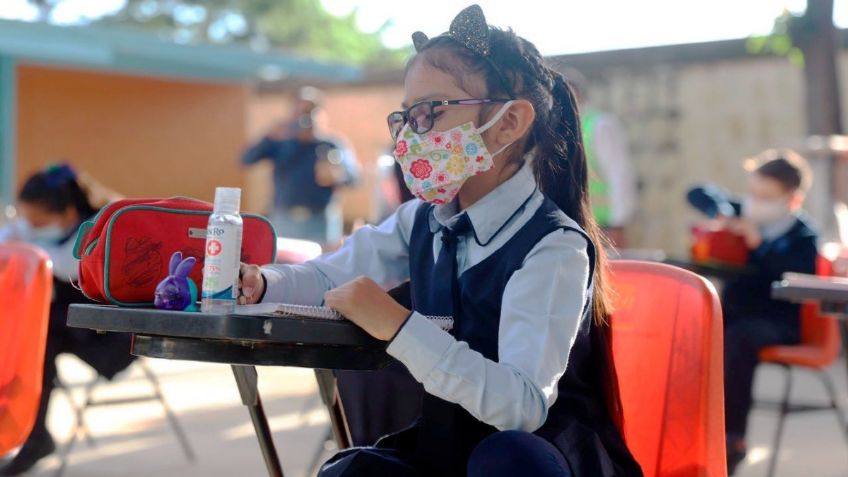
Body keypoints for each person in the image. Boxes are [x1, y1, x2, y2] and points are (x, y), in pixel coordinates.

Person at [239, 5, 642, 476]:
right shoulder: (421, 221)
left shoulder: (553, 248)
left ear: (509, 124)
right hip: (449, 448)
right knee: (350, 472)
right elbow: (336, 272)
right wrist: (261, 283)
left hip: (539, 458)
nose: (412, 134)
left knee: (506, 460)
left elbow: (522, 407)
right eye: (407, 115)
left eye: (432, 111)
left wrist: (398, 325)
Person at [0, 164, 135, 476]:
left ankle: (32, 436)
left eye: (38, 219)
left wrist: (23, 243)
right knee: (32, 337)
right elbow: (10, 236)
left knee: (36, 339)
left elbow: (62, 267)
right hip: (74, 324)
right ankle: (32, 434)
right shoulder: (52, 229)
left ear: (68, 211)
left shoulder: (99, 230)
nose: (31, 225)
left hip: (112, 334)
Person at [687, 150, 817, 475]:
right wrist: (723, 214)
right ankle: (686, 424)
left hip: (778, 322)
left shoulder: (803, 237)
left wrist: (758, 245)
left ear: (792, 198)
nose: (757, 202)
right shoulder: (741, 214)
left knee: (736, 341)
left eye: (767, 197)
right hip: (734, 313)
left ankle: (732, 438)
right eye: (754, 193)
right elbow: (697, 192)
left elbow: (790, 278)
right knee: (692, 329)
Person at [241, 86, 359, 245]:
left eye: (309, 112)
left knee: (323, 265)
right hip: (284, 219)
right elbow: (246, 160)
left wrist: (337, 175)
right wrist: (268, 137)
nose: (304, 119)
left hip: (320, 220)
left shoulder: (332, 144)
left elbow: (354, 178)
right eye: (299, 113)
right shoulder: (280, 142)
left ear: (320, 113)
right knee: (284, 266)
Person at [564, 68, 636, 247]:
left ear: (576, 93)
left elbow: (619, 174)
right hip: (574, 222)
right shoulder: (564, 129)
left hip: (603, 225)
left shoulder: (600, 125)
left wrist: (618, 223)